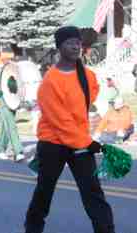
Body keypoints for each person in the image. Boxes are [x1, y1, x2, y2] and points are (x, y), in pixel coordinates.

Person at [24, 26, 115, 233]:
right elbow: (60, 121)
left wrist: (83, 135)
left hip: (80, 141)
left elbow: (90, 95)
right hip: (53, 143)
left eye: (78, 42)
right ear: (59, 47)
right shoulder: (50, 81)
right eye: (69, 42)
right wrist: (86, 141)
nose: (75, 46)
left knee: (93, 193)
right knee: (44, 193)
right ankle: (33, 228)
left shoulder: (87, 75)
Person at [0, 47, 25, 161]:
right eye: (7, 57)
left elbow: (17, 80)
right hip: (2, 98)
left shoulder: (11, 66)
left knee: (7, 125)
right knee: (11, 124)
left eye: (10, 57)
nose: (9, 59)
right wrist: (1, 87)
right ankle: (18, 151)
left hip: (13, 97)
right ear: (0, 56)